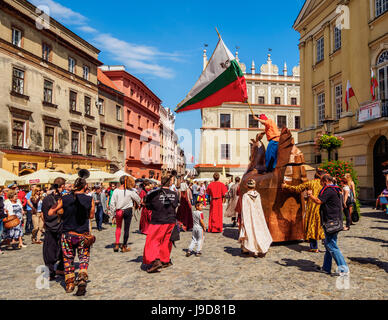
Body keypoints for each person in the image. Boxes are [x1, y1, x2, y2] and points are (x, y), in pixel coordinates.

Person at [59, 176, 95, 295]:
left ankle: (69, 284)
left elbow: (55, 212)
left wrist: (65, 213)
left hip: (67, 234)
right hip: (82, 235)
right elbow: (91, 216)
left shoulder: (65, 198)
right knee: (83, 258)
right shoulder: (90, 199)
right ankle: (82, 278)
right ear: (85, 187)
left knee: (68, 258)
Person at [307, 174, 349, 276]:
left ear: (325, 181)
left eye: (321, 182)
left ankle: (344, 269)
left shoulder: (329, 190)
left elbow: (318, 201)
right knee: (328, 244)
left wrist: (310, 195)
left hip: (331, 221)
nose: (321, 184)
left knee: (331, 245)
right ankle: (326, 268)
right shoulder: (336, 189)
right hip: (335, 219)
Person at [281, 169, 326, 253]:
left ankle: (314, 247)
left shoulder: (310, 183)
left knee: (312, 225)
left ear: (314, 176)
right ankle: (327, 245)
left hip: (312, 207)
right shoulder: (324, 184)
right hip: (323, 207)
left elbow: (297, 189)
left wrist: (286, 186)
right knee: (323, 225)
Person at [142, 175, 179, 273]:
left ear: (161, 183)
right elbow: (175, 205)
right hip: (171, 220)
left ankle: (154, 260)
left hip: (158, 220)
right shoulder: (175, 194)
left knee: (153, 241)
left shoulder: (154, 194)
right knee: (166, 241)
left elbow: (148, 206)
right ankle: (164, 260)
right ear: (170, 183)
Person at [238, 179, 272, 257]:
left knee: (249, 232)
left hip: (248, 216)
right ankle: (255, 249)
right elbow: (259, 207)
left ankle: (250, 249)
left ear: (247, 186)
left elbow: (244, 208)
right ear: (254, 186)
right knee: (257, 231)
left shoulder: (245, 196)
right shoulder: (258, 195)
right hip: (257, 216)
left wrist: (243, 219)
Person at [42, 177, 66, 281]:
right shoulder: (49, 199)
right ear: (62, 186)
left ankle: (59, 269)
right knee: (50, 251)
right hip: (52, 227)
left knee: (61, 249)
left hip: (59, 227)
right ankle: (50, 272)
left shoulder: (61, 197)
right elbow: (46, 215)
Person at [110, 176, 140, 253]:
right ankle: (124, 246)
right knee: (126, 229)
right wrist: (139, 204)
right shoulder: (130, 191)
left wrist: (113, 215)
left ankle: (116, 244)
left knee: (118, 228)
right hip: (128, 211)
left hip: (119, 211)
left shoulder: (116, 191)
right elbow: (138, 199)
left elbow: (112, 204)